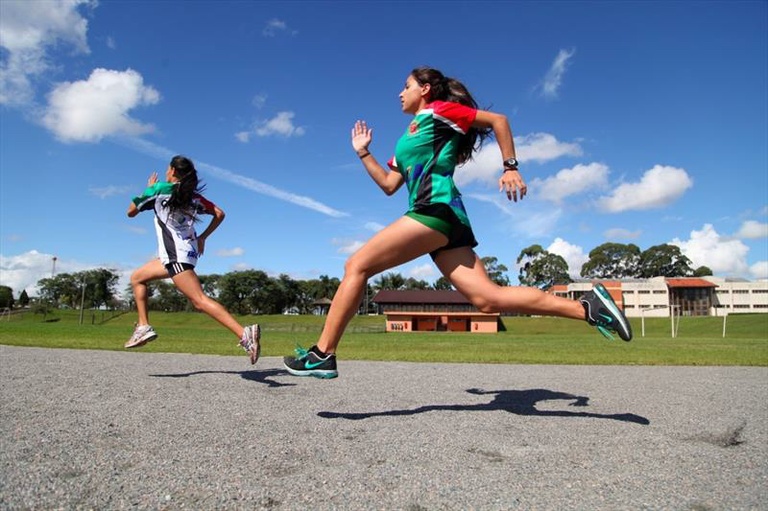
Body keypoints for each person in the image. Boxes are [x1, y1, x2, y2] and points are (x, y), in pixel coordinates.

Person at [284, 66, 631, 379]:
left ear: (426, 89)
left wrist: (510, 166)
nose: (399, 93)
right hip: (445, 218)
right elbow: (390, 185)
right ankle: (587, 307)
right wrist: (363, 152)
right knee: (487, 299)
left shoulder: (440, 111)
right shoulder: (408, 137)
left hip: (435, 210)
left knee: (356, 265)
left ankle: (323, 353)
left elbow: (499, 121)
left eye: (405, 86)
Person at [125, 155, 261, 364]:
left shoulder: (159, 189)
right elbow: (219, 213)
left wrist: (148, 189)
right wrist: (203, 237)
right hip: (182, 254)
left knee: (199, 300)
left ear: (172, 171)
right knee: (137, 278)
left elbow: (130, 212)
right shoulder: (193, 196)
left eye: (167, 169)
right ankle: (143, 326)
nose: (165, 172)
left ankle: (244, 334)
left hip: (176, 256)